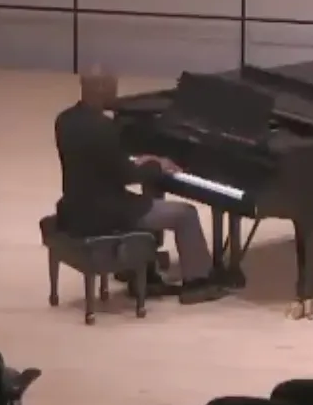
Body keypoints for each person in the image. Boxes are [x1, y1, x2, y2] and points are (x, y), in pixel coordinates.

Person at [54, 67, 224, 305]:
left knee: (149, 201)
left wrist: (138, 161)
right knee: (185, 214)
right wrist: (157, 166)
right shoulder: (104, 128)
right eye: (113, 88)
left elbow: (101, 164)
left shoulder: (65, 120)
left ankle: (146, 271)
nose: (116, 94)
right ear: (101, 89)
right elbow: (126, 175)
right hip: (106, 213)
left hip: (76, 206)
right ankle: (198, 282)